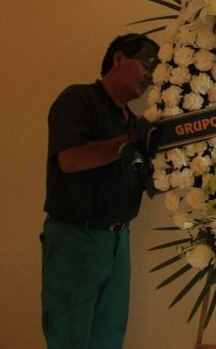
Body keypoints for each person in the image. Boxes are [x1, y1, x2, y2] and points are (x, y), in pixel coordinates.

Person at [41, 33, 159, 349]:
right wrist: (129, 143)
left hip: (118, 241)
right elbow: (71, 159)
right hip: (75, 238)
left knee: (108, 339)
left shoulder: (135, 123)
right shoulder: (78, 99)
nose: (150, 77)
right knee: (69, 337)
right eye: (146, 65)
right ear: (118, 59)